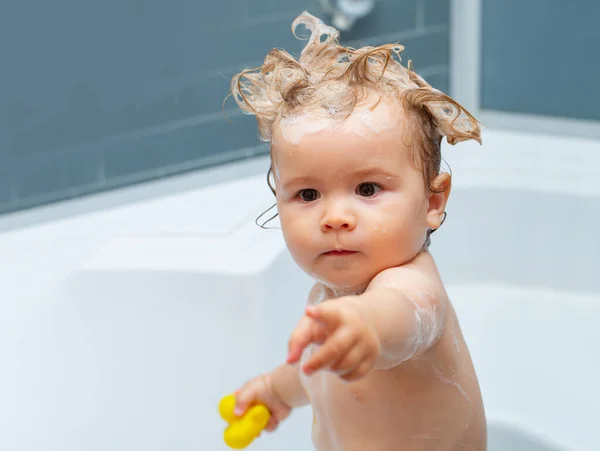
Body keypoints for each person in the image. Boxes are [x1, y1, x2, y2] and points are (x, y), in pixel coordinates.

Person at [228, 11, 486, 451]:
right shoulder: (331, 299)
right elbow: (321, 364)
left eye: (367, 188)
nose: (334, 217)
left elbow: (400, 319)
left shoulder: (411, 287)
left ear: (433, 201)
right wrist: (276, 390)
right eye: (308, 195)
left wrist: (366, 324)